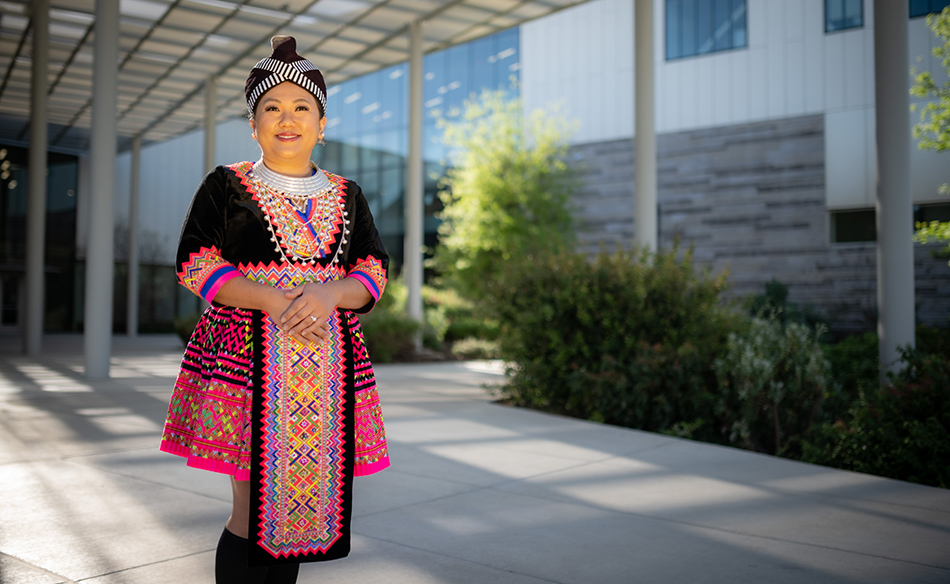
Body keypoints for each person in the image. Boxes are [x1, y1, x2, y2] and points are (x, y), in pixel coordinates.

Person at [159, 35, 390, 583]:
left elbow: (375, 270)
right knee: (251, 515)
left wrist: (332, 293)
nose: (288, 119)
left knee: (300, 517)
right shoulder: (227, 185)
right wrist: (269, 298)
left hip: (326, 372)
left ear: (322, 123)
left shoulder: (348, 193)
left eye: (302, 107)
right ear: (254, 124)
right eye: (272, 107)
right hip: (246, 367)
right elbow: (193, 261)